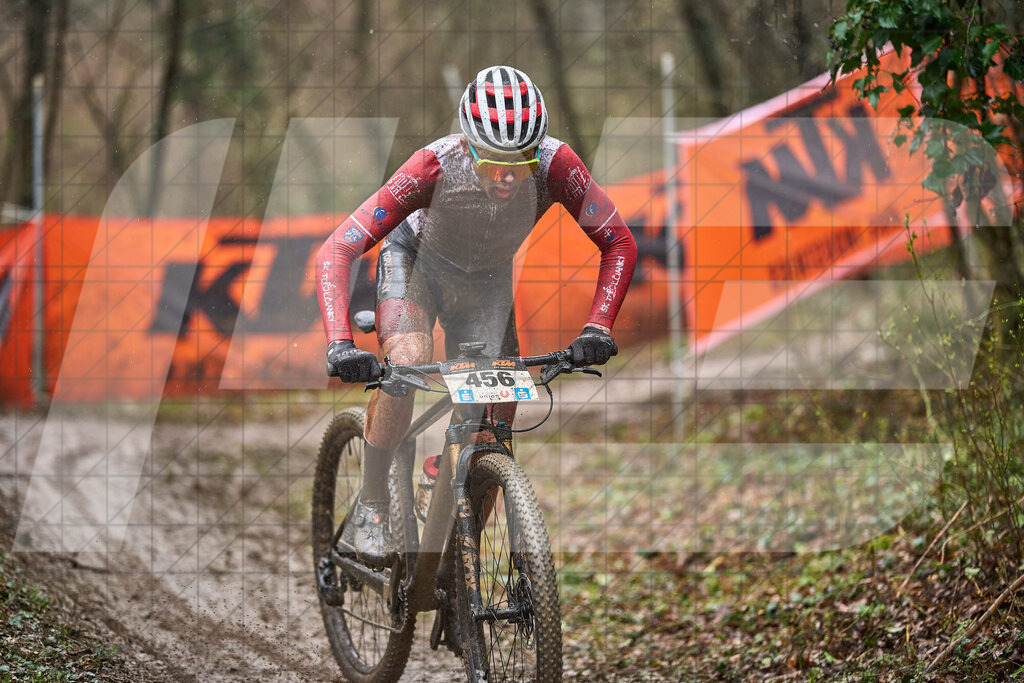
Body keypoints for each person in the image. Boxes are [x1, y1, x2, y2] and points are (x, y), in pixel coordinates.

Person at [315, 65, 637, 567]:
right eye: (492, 164)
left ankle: (455, 575)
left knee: (494, 427)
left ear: (540, 149)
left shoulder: (557, 165)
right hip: (416, 264)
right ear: (468, 147)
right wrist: (340, 341)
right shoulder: (434, 166)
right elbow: (338, 248)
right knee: (410, 357)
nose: (508, 177)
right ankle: (372, 507)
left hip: (485, 281)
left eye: (521, 162)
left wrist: (598, 327)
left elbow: (618, 242)